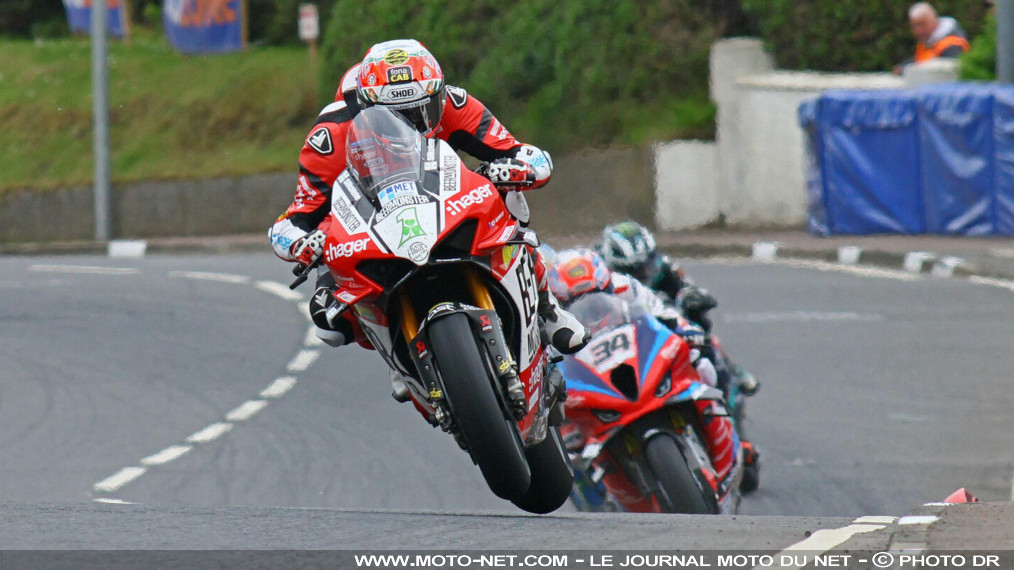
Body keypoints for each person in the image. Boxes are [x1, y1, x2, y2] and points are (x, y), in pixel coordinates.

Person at [268, 38, 588, 355]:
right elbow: (291, 220)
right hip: (375, 225)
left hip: (450, 201)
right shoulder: (331, 136)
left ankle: (546, 308)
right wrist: (302, 243)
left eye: (424, 109)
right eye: (397, 117)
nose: (415, 125)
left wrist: (515, 170)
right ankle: (396, 353)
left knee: (508, 195)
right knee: (328, 321)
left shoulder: (454, 104)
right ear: (366, 111)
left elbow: (525, 154)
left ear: (438, 93)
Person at [894, 2, 970, 74]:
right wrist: (903, 67)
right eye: (914, 27)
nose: (918, 31)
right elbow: (920, 60)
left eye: (921, 25)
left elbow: (946, 74)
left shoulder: (953, 45)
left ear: (933, 21)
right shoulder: (928, 42)